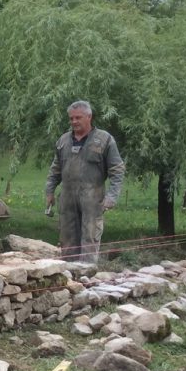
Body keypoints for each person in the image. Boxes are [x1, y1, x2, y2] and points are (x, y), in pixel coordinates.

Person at [44, 100, 124, 263]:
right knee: (67, 237)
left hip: (92, 198)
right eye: (71, 118)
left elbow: (117, 170)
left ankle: (87, 275)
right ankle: (68, 276)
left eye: (78, 118)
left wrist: (111, 197)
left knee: (90, 237)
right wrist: (49, 191)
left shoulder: (105, 140)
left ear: (89, 117)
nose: (74, 121)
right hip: (67, 198)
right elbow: (55, 169)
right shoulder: (63, 141)